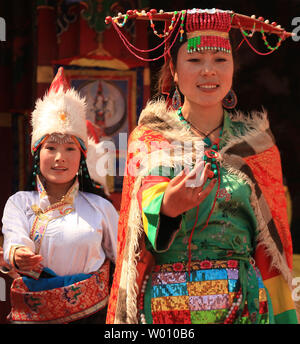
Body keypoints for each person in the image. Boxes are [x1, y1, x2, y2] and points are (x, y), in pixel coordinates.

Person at [105, 8, 298, 324]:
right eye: (194, 60)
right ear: (175, 70)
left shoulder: (257, 146)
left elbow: (271, 248)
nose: (209, 71)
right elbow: (143, 215)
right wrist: (169, 206)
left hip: (246, 306)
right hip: (170, 309)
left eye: (220, 60)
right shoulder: (153, 138)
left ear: (233, 69)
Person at [1, 67, 119, 324]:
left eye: (69, 148)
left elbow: (123, 261)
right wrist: (19, 252)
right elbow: (14, 236)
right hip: (34, 317)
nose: (60, 157)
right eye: (50, 147)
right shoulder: (20, 203)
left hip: (94, 317)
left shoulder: (101, 207)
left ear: (82, 157)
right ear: (37, 154)